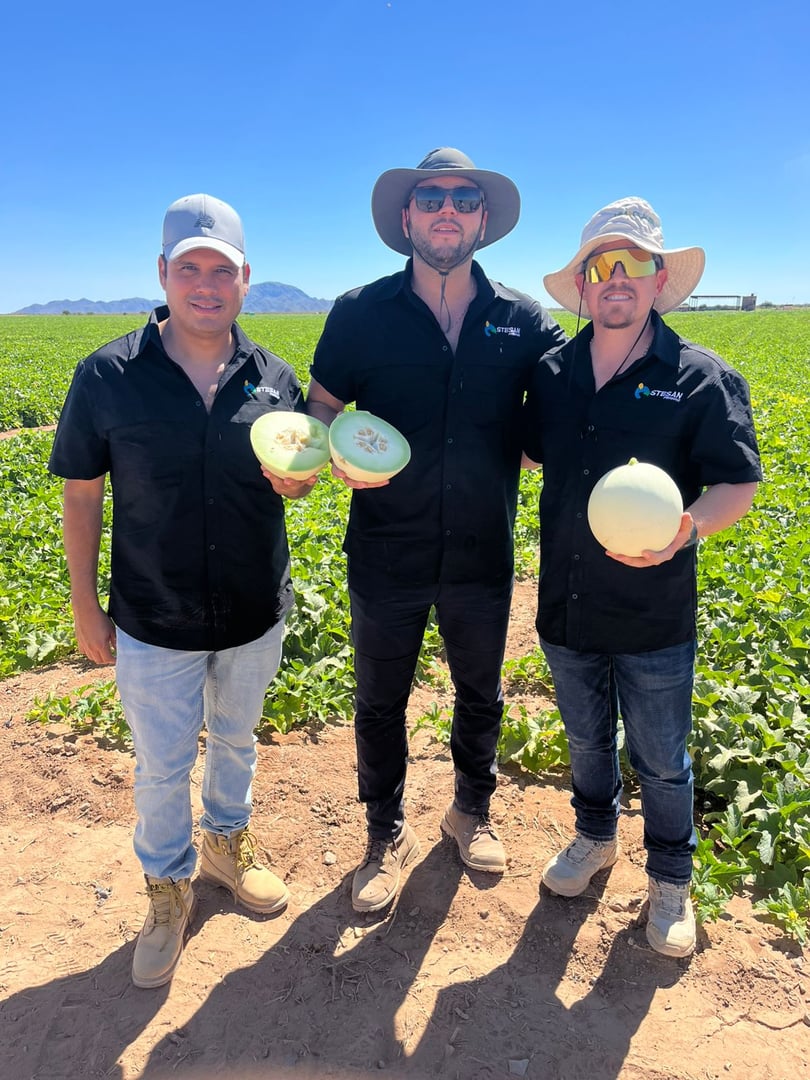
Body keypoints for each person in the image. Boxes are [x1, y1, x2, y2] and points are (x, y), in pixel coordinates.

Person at [48, 193, 316, 988]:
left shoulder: (275, 378)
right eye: (190, 268)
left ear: (245, 280)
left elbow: (295, 484)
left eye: (222, 270)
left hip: (250, 608)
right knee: (161, 766)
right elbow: (82, 494)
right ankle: (166, 891)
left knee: (237, 741)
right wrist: (84, 604)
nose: (206, 284)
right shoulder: (107, 374)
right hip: (152, 613)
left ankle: (225, 850)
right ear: (164, 273)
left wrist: (295, 487)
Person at [306, 148, 566, 913]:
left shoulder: (524, 322)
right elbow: (323, 406)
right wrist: (330, 454)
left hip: (482, 548)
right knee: (380, 700)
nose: (446, 208)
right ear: (406, 217)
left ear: (483, 221)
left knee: (479, 692)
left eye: (462, 197)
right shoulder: (359, 313)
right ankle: (384, 833)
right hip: (387, 544)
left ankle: (469, 811)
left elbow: (558, 418)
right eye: (430, 197)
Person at [521, 197, 762, 957]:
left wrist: (686, 527)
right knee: (586, 741)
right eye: (601, 265)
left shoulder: (700, 378)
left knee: (662, 757)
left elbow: (737, 485)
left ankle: (670, 879)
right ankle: (595, 838)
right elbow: (528, 453)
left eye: (634, 264)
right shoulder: (553, 373)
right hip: (567, 600)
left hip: (654, 609)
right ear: (585, 285)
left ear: (659, 280)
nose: (616, 278)